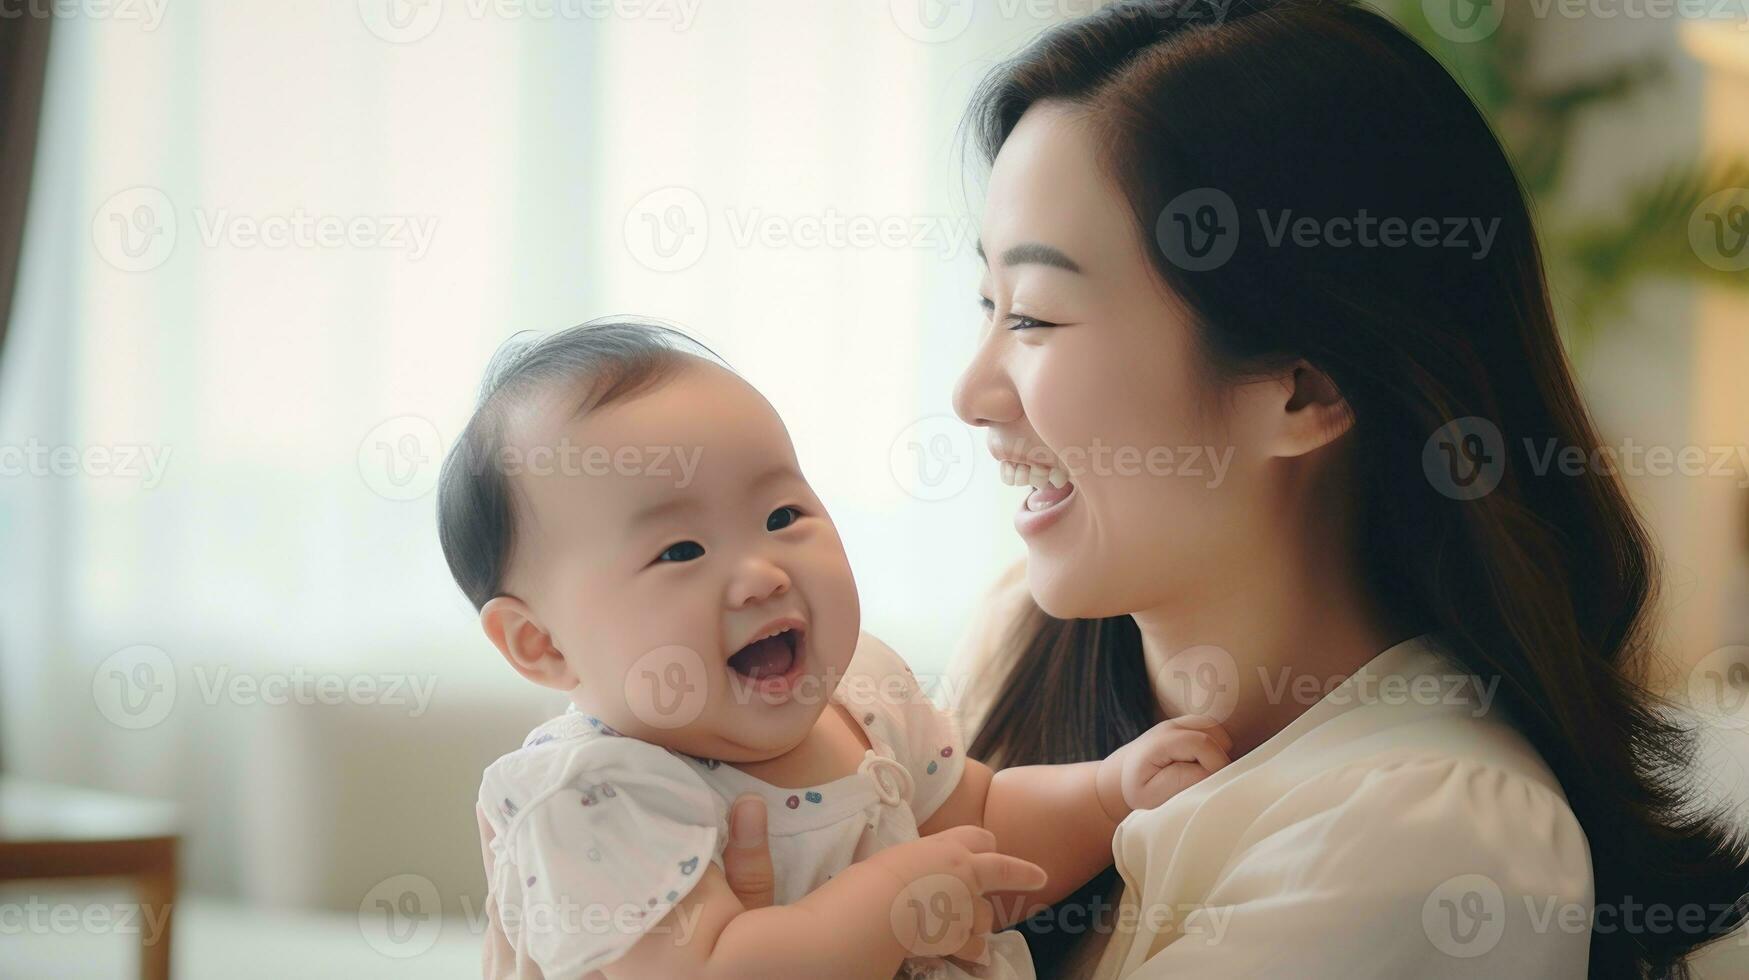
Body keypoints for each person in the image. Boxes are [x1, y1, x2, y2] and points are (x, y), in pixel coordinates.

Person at [441, 319, 1231, 978]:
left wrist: (1108, 793)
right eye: (680, 552)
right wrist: (893, 895)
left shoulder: (863, 698)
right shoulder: (595, 795)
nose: (759, 574)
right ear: (541, 644)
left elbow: (981, 825)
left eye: (781, 516)